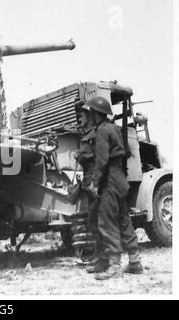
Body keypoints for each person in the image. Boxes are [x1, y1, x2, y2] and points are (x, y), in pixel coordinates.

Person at [84, 96, 143, 280]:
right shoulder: (114, 128)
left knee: (107, 221)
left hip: (109, 180)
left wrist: (94, 182)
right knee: (123, 220)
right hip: (120, 179)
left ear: (95, 114)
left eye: (91, 113)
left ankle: (114, 266)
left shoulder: (101, 131)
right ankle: (135, 262)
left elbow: (101, 160)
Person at [75, 105, 107, 273]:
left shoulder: (96, 133)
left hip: (94, 179)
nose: (79, 118)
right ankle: (98, 257)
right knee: (93, 221)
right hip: (88, 179)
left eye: (81, 115)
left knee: (98, 221)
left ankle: (103, 260)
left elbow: (98, 158)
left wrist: (80, 155)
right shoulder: (86, 134)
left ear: (89, 115)